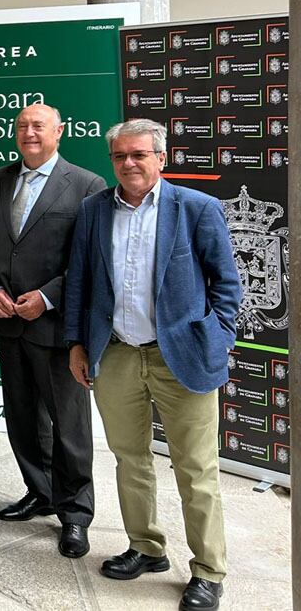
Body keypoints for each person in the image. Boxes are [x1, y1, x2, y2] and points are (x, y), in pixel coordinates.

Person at [64, 119, 241, 611]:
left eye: (139, 155)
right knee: (129, 458)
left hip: (180, 355)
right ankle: (145, 547)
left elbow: (227, 283)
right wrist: (77, 343)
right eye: (120, 156)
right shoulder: (94, 210)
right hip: (117, 353)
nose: (129, 164)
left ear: (161, 158)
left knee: (196, 467)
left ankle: (208, 570)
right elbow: (79, 281)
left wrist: (216, 336)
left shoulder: (196, 209)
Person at [0, 104, 105, 558]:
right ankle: (41, 492)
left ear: (59, 130)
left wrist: (47, 296)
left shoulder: (87, 185)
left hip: (56, 326)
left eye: (38, 126)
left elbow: (89, 260)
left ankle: (75, 515)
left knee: (69, 427)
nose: (29, 133)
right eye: (22, 127)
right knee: (22, 418)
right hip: (8, 322)